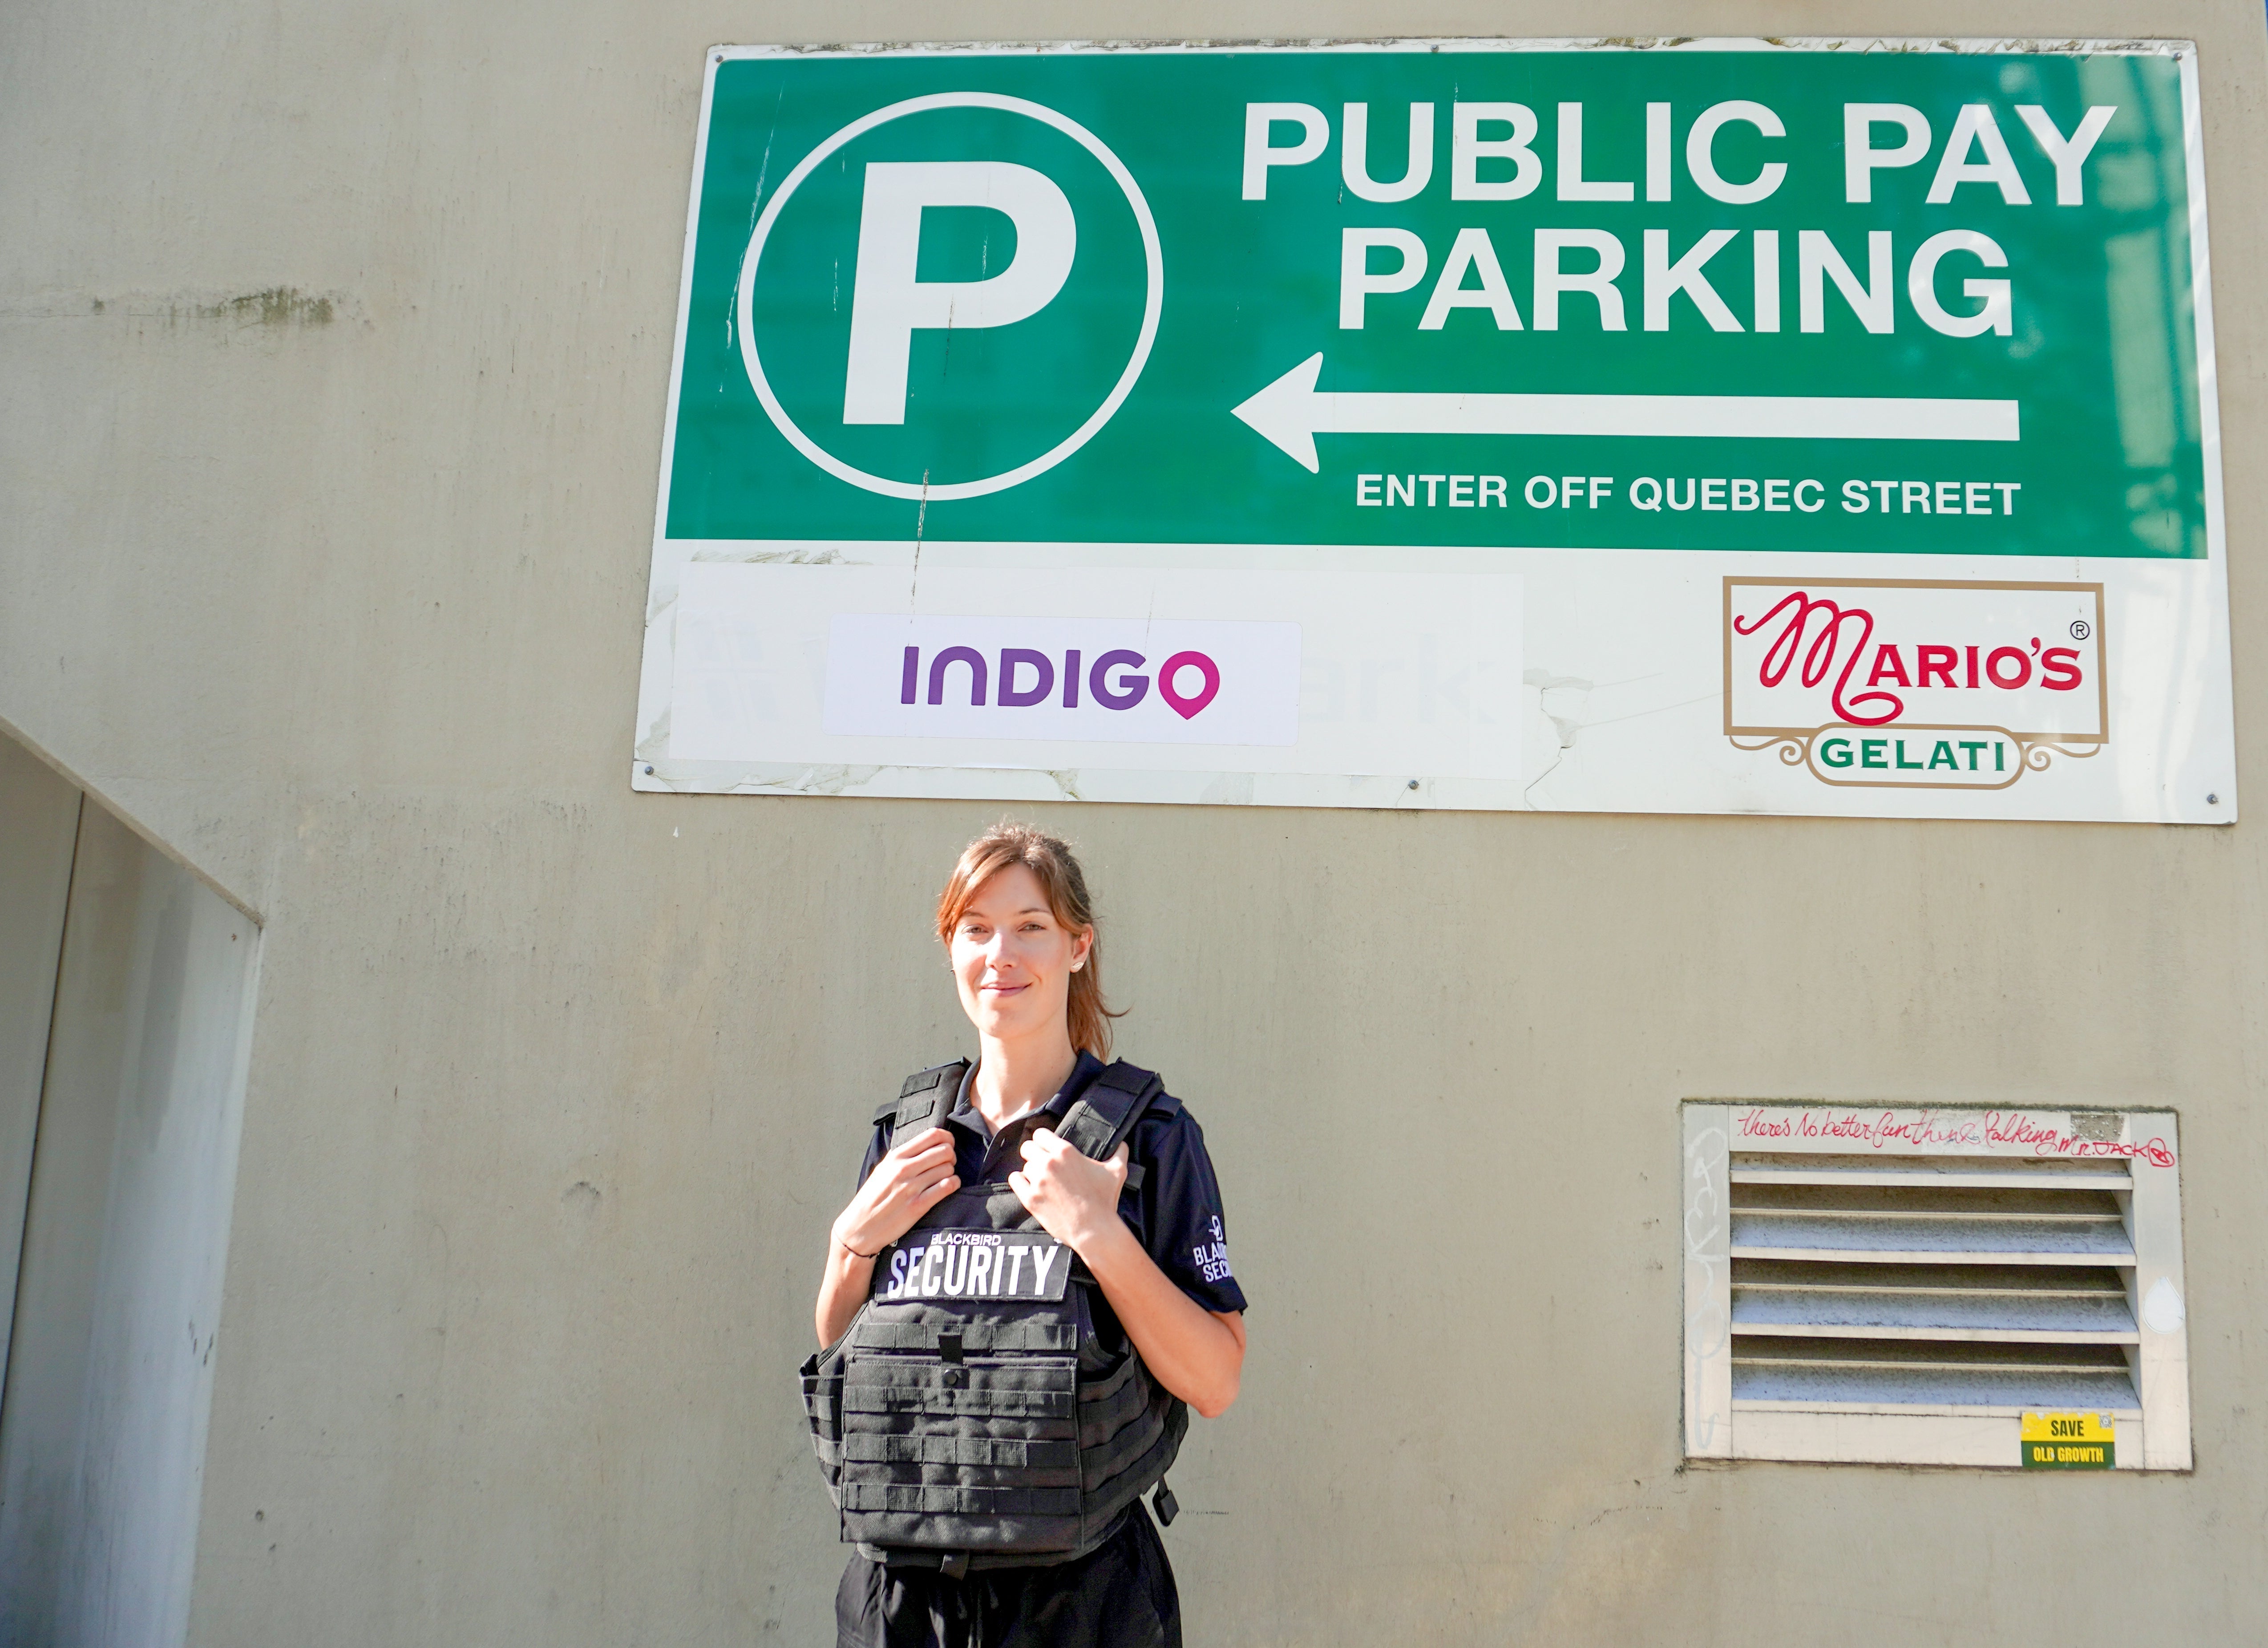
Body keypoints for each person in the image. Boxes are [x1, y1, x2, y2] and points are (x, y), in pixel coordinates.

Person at [809, 822, 1247, 1648]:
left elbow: (1215, 1380)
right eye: (975, 929)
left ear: (1078, 946)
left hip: (1078, 1598)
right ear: (950, 950)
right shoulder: (909, 1136)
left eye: (1030, 927)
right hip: (902, 1596)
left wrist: (1098, 1233)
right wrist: (850, 1245)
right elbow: (843, 1352)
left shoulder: (1149, 1138)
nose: (999, 955)